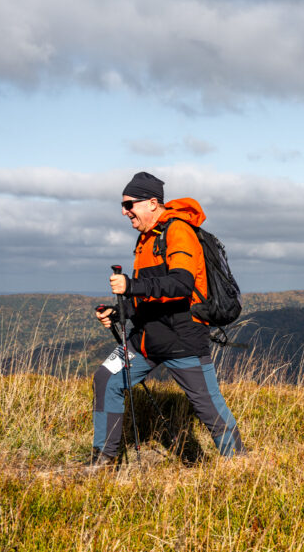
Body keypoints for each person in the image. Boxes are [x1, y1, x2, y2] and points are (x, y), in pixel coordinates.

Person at [87, 171, 245, 469]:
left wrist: (130, 286)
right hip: (146, 338)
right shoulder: (146, 240)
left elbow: (181, 285)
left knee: (208, 406)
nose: (124, 211)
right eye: (123, 205)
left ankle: (242, 466)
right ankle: (104, 459)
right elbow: (150, 294)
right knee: (105, 378)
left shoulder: (178, 232)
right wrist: (120, 312)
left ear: (152, 203)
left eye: (129, 204)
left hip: (182, 337)